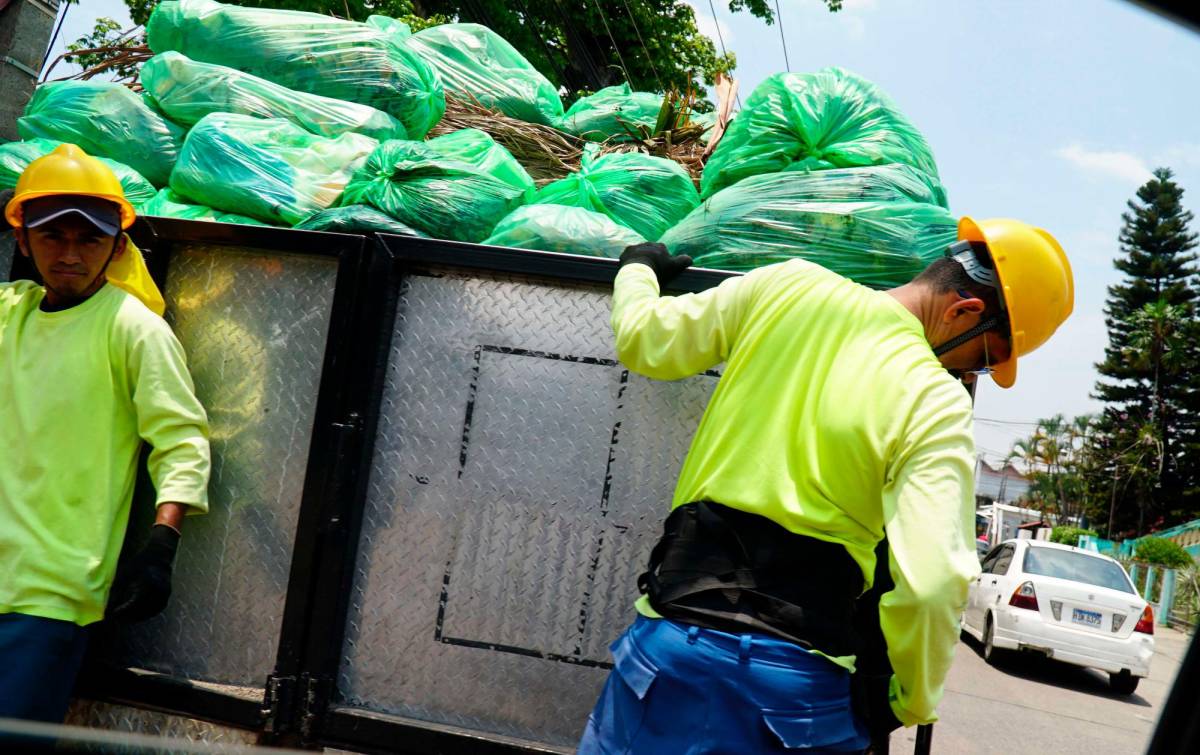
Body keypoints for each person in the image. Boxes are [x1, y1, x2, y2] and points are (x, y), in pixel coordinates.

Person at [580, 217, 1073, 753]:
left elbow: (646, 341)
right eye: (985, 356)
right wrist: (908, 701)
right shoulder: (935, 399)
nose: (973, 375)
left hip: (671, 648)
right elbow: (933, 583)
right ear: (964, 312)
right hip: (796, 693)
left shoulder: (786, 284)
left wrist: (635, 271)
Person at [0, 144, 210, 722]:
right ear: (23, 241)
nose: (70, 253)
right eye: (52, 237)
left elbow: (182, 442)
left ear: (116, 247)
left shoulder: (134, 330)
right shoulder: (10, 312)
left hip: (49, 595)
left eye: (88, 239)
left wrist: (161, 548)